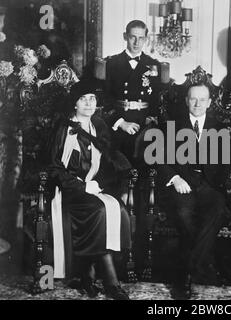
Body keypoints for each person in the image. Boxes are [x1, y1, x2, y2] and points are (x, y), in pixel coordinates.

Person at [48, 80, 132, 300]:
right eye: (83, 99)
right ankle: (111, 282)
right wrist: (82, 186)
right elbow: (53, 168)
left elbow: (109, 162)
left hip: (94, 188)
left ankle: (88, 273)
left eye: (92, 99)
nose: (88, 103)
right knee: (100, 211)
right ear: (74, 104)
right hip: (69, 190)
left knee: (119, 209)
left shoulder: (99, 126)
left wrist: (103, 185)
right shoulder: (63, 128)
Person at [157, 82, 230, 299]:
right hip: (183, 184)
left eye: (202, 99)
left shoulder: (220, 128)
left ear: (209, 102)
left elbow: (226, 161)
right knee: (183, 212)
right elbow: (159, 159)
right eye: (193, 99)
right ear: (187, 100)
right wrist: (174, 177)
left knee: (217, 209)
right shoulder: (172, 125)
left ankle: (188, 271)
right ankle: (203, 269)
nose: (197, 104)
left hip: (209, 184)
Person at [105, 20, 161, 165]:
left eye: (141, 38)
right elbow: (104, 98)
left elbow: (156, 98)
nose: (137, 42)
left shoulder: (153, 65)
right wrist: (121, 123)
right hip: (118, 123)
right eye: (132, 37)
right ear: (125, 36)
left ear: (146, 39)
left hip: (144, 124)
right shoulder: (111, 64)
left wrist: (151, 120)